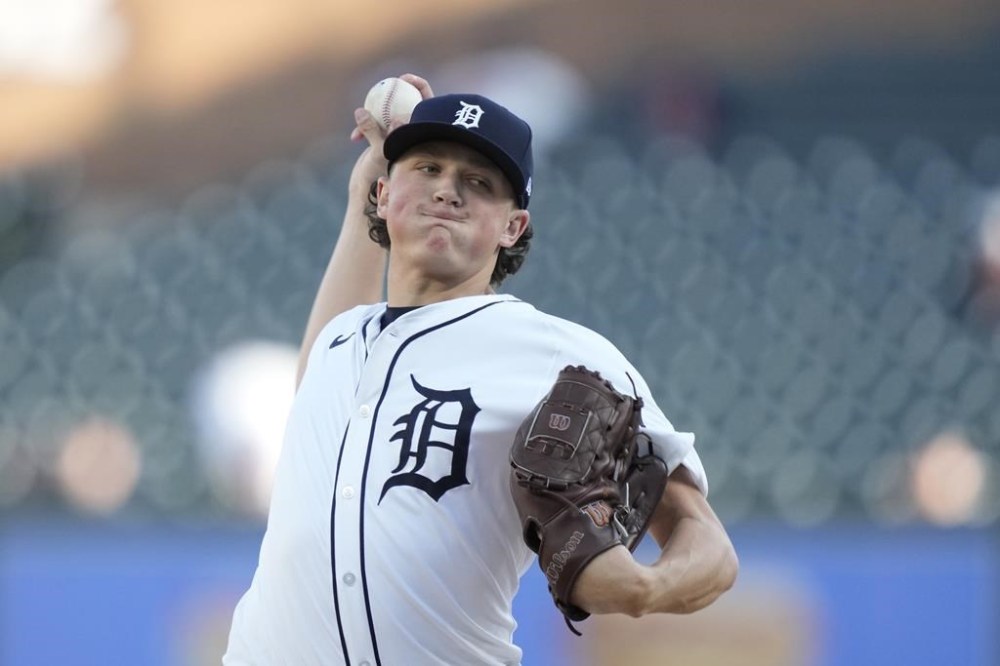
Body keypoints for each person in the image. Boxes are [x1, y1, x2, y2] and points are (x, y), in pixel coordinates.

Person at [223, 73, 738, 666]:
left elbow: (707, 541)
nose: (448, 191)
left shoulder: (557, 353)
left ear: (512, 226)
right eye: (428, 169)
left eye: (478, 182)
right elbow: (316, 380)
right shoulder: (341, 342)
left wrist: (647, 590)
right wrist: (361, 191)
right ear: (386, 195)